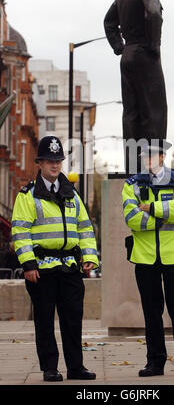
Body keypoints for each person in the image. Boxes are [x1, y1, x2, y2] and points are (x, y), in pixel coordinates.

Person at [11, 135, 99, 382]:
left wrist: (89, 256)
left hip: (70, 267)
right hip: (41, 268)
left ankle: (76, 367)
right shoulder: (27, 195)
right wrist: (28, 264)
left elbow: (85, 227)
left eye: (58, 160)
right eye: (50, 160)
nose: (55, 165)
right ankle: (50, 367)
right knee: (44, 321)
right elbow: (20, 230)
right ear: (39, 162)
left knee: (73, 321)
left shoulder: (72, 194)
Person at [122, 143, 174, 377]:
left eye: (151, 154)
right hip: (145, 257)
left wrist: (149, 207)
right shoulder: (132, 184)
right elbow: (131, 218)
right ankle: (155, 362)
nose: (147, 159)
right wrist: (161, 218)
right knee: (151, 312)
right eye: (144, 155)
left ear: (162, 155)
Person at [104, 0, 167, 146]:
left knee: (131, 111)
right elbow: (154, 14)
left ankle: (133, 163)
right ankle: (153, 162)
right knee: (154, 108)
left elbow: (108, 22)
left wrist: (119, 46)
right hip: (144, 54)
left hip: (128, 55)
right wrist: (154, 45)